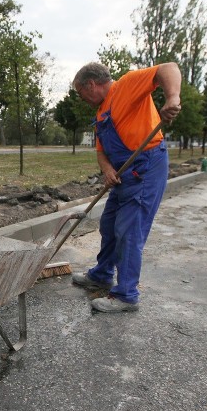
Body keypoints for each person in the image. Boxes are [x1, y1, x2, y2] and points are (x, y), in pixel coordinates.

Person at [71, 62, 182, 313]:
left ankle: (126, 294)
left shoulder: (127, 85)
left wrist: (172, 97)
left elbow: (168, 68)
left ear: (91, 84)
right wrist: (107, 170)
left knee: (129, 231)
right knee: (108, 225)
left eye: (81, 93)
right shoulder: (101, 114)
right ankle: (101, 275)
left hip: (145, 168)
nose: (82, 99)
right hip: (121, 175)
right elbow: (102, 152)